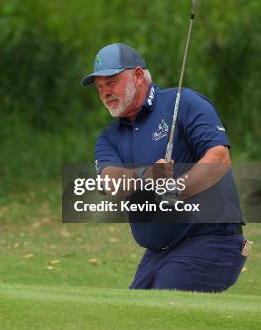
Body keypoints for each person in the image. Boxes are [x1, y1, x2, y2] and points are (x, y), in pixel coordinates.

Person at [81, 42, 248, 292]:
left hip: (211, 240)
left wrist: (179, 189)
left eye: (112, 82)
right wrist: (146, 175)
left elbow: (219, 157)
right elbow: (109, 181)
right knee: (128, 318)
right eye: (100, 87)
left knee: (159, 310)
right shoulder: (109, 138)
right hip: (158, 253)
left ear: (137, 76)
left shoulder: (183, 102)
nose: (105, 92)